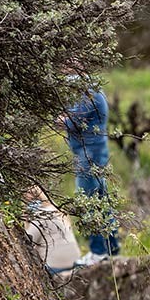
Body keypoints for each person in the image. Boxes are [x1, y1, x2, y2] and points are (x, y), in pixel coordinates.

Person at [64, 85, 119, 266]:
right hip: (93, 152)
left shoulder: (90, 94)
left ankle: (98, 252)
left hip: (89, 154)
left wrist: (62, 118)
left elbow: (71, 121)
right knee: (101, 200)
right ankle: (112, 247)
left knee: (89, 201)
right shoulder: (91, 91)